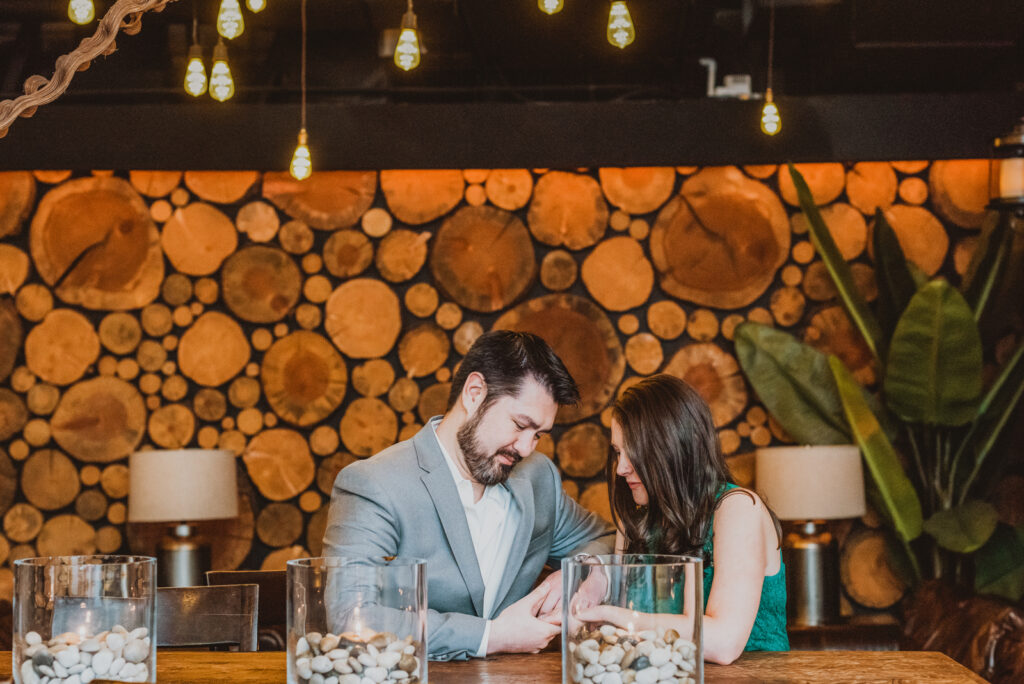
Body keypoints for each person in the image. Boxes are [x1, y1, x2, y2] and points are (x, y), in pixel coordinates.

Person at [322, 330, 614, 661]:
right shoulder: (373, 484)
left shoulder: (537, 477)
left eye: (539, 435)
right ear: (474, 393)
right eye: (520, 425)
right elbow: (351, 618)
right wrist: (491, 636)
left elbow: (606, 539)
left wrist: (586, 572)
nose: (525, 448)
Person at [577, 373, 788, 664]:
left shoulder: (737, 508)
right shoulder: (635, 518)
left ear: (673, 448)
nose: (620, 469)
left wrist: (613, 616)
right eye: (617, 452)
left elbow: (724, 644)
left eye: (634, 453)